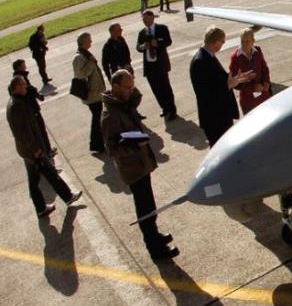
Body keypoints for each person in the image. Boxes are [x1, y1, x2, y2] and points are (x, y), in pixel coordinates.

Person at [101, 70, 178, 261]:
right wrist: (135, 144)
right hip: (132, 168)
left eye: (131, 86)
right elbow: (112, 149)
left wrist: (130, 89)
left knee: (149, 206)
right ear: (115, 87)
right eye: (127, 87)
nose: (130, 90)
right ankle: (155, 250)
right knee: (145, 210)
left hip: (141, 163)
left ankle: (155, 236)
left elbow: (135, 98)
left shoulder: (123, 103)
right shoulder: (110, 115)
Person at [7, 76, 82, 219]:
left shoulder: (16, 102)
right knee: (49, 175)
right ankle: (67, 197)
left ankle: (45, 207)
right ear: (16, 86)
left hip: (27, 150)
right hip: (31, 150)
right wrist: (35, 149)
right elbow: (24, 132)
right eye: (23, 84)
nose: (26, 87)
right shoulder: (17, 106)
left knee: (37, 180)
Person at [190, 26, 254, 146]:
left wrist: (236, 80)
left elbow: (216, 82)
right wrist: (229, 85)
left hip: (220, 115)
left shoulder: (208, 56)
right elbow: (206, 93)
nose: (223, 44)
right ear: (215, 41)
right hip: (215, 118)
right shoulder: (201, 61)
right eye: (222, 41)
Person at [136, 11, 177, 120]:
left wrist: (158, 43)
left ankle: (172, 109)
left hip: (161, 64)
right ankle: (164, 108)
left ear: (152, 18)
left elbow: (168, 41)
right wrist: (142, 47)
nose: (144, 21)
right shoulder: (142, 33)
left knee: (166, 88)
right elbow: (138, 47)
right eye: (143, 19)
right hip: (149, 66)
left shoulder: (162, 28)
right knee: (156, 89)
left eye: (146, 19)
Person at [12, 59, 56, 158]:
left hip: (32, 109)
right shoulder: (20, 78)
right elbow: (29, 89)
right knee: (40, 131)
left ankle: (47, 150)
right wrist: (37, 93)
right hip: (32, 109)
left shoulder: (19, 77)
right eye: (23, 64)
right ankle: (47, 151)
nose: (25, 65)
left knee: (40, 130)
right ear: (19, 66)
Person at [72, 32, 106, 153]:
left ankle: (98, 142)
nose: (91, 42)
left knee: (97, 118)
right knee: (96, 119)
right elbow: (80, 75)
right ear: (84, 42)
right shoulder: (79, 57)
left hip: (96, 92)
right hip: (91, 94)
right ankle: (96, 143)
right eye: (89, 40)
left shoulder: (85, 54)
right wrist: (91, 63)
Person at [228, 28, 272, 114]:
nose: (244, 44)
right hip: (249, 102)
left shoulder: (257, 51)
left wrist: (266, 82)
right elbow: (235, 83)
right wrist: (253, 88)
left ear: (253, 41)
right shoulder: (235, 57)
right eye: (242, 41)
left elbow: (265, 69)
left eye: (247, 41)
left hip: (264, 97)